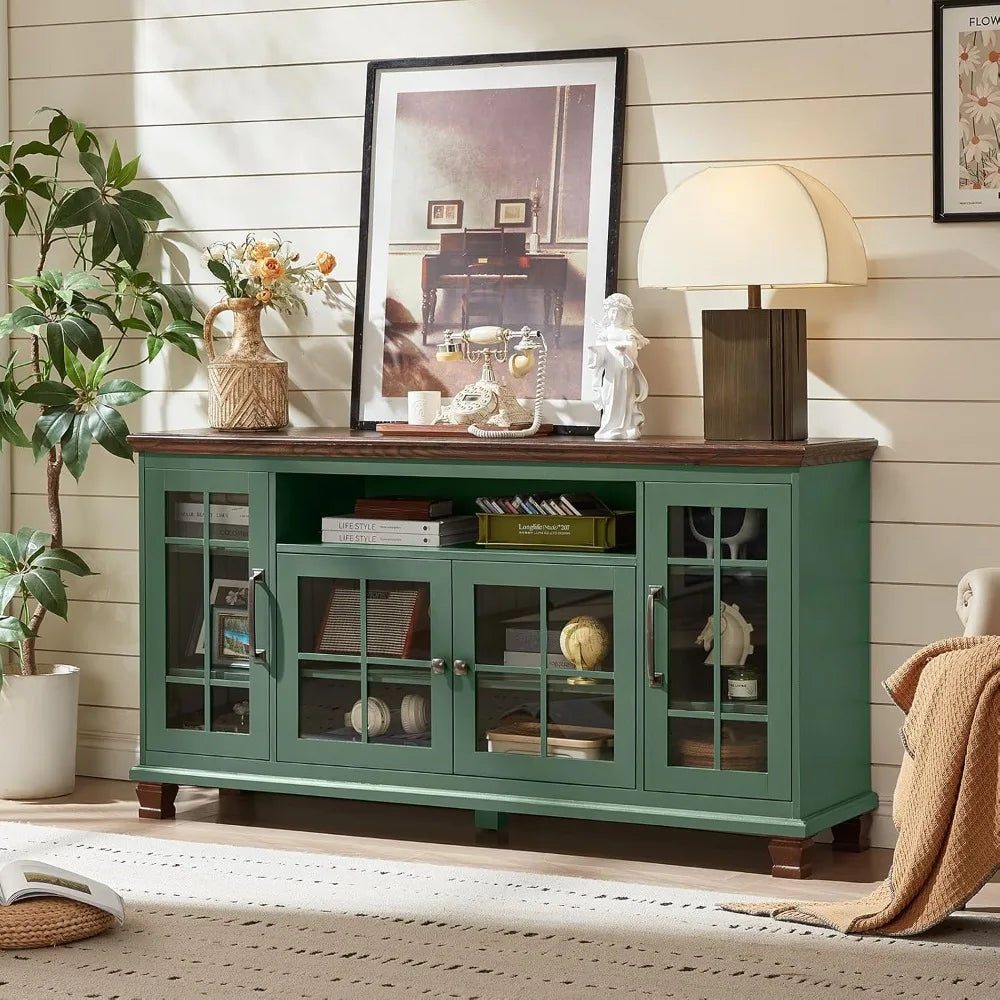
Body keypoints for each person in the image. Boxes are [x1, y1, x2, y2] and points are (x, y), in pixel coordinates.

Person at [586, 292, 649, 440]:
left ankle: (626, 427)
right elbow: (600, 351)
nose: (614, 316)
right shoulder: (606, 332)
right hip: (610, 375)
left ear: (625, 314)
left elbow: (633, 350)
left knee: (624, 400)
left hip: (624, 374)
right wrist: (596, 349)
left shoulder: (628, 332)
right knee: (609, 399)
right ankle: (609, 427)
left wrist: (625, 350)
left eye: (618, 312)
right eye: (611, 312)